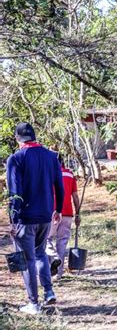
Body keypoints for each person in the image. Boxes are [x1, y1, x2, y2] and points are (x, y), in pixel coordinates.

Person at [6, 123, 64, 314]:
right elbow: (59, 186)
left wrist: (13, 219)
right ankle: (48, 291)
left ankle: (33, 302)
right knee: (40, 253)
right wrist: (59, 209)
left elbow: (15, 191)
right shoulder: (51, 156)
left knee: (27, 259)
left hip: (26, 217)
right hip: (46, 215)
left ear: (17, 139)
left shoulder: (15, 159)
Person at [46, 154, 81, 279]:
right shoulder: (70, 174)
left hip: (52, 212)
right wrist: (78, 213)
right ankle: (58, 274)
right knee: (62, 242)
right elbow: (75, 196)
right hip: (67, 213)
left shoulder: (48, 175)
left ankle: (53, 258)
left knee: (46, 239)